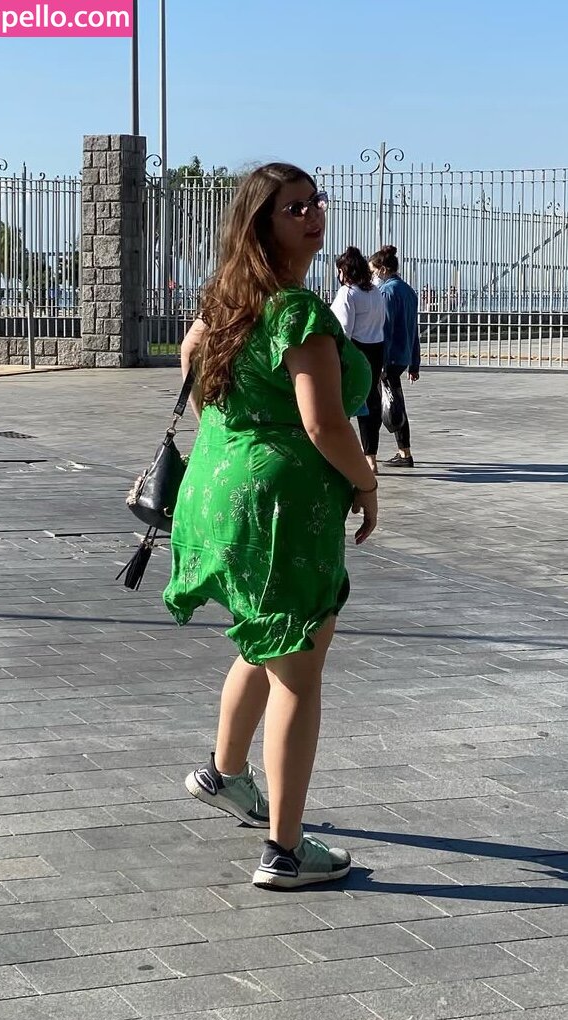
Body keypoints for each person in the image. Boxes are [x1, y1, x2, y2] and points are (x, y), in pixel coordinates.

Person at [164, 163, 378, 889]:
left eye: (316, 202)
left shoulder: (225, 302)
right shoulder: (297, 312)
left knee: (265, 635)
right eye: (295, 208)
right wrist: (367, 483)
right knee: (300, 665)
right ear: (262, 224)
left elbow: (191, 363)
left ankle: (225, 773)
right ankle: (285, 851)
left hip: (216, 492)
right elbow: (324, 424)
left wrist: (236, 437)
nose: (313, 215)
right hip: (282, 508)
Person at [331, 246, 385, 475]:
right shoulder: (375, 292)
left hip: (355, 350)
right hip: (376, 349)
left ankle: (340, 453)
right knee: (371, 402)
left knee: (343, 402)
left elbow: (344, 330)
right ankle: (370, 456)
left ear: (345, 271)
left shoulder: (348, 293)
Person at [369, 244, 421, 467]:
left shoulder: (386, 292)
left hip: (388, 358)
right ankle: (403, 451)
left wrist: (380, 361)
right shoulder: (408, 291)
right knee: (394, 401)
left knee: (382, 405)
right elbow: (414, 329)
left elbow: (386, 330)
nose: (372, 276)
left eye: (372, 271)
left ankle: (384, 453)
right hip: (403, 355)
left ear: (382, 270)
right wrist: (414, 363)